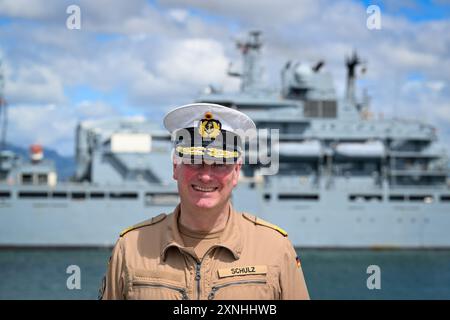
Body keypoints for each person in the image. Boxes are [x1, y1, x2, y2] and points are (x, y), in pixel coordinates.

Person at [99, 103, 309, 300]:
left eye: (220, 163)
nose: (206, 175)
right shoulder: (129, 249)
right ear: (175, 167)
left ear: (236, 172)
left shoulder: (275, 249)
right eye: (194, 160)